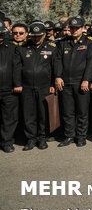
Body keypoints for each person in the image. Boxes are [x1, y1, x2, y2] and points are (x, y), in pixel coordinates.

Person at [53, 17, 92, 148]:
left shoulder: (90, 43)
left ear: (83, 28)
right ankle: (69, 135)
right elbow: (58, 60)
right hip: (65, 82)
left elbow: (91, 63)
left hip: (81, 82)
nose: (74, 30)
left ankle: (81, 136)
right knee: (68, 111)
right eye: (71, 28)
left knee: (82, 111)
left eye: (77, 28)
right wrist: (58, 76)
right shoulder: (63, 42)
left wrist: (86, 80)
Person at [14, 22, 57, 150]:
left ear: (44, 34)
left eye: (39, 36)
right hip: (27, 87)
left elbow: (55, 67)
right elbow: (17, 68)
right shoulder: (22, 48)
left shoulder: (51, 47)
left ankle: (42, 138)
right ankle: (31, 139)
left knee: (43, 114)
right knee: (29, 114)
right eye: (34, 36)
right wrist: (18, 84)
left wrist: (52, 84)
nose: (36, 39)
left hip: (44, 86)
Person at [0, 22, 20, 153]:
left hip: (8, 89)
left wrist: (17, 84)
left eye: (1, 33)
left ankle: (7, 142)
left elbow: (17, 67)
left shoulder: (12, 47)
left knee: (9, 117)